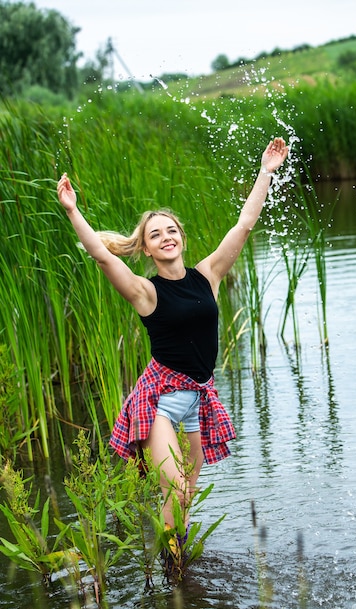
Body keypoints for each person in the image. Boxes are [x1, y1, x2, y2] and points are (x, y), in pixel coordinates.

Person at [57, 137, 289, 557]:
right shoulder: (146, 292)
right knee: (177, 489)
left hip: (200, 396)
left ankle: (175, 566)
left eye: (171, 230)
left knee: (185, 498)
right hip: (162, 400)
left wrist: (266, 171)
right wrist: (73, 211)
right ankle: (170, 569)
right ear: (146, 247)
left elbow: (243, 224)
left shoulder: (208, 274)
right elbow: (104, 257)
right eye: (155, 234)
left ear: (181, 237)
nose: (166, 237)